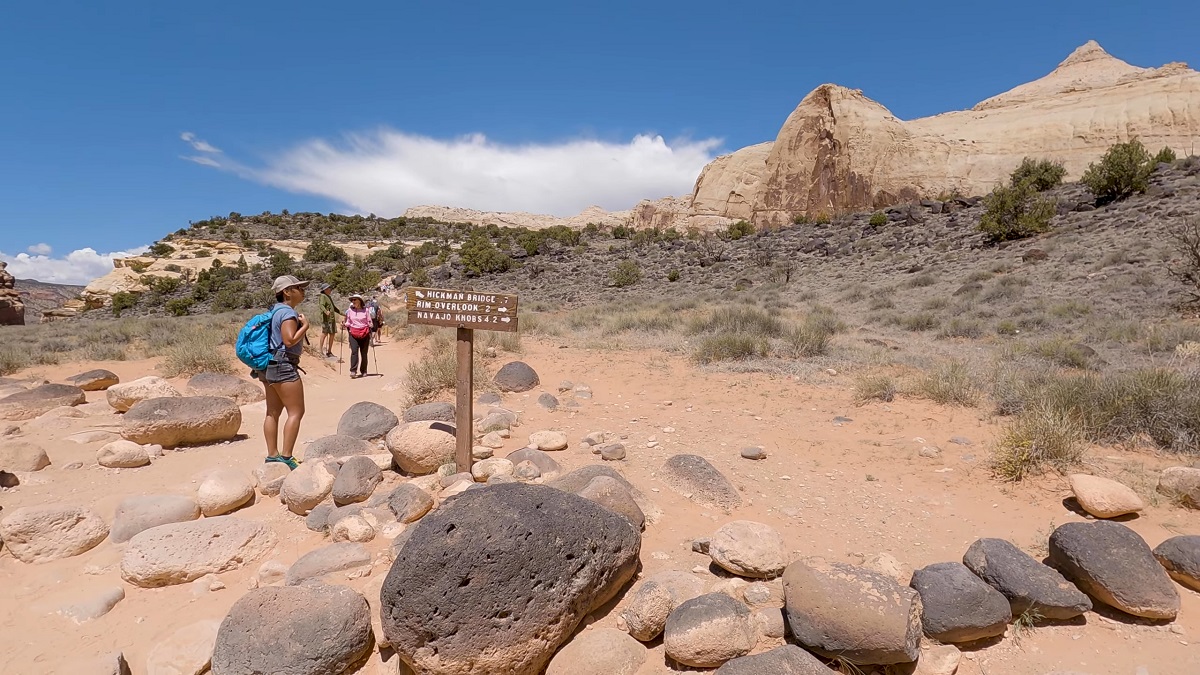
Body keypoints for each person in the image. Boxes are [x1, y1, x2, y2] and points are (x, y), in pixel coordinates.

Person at [254, 275, 311, 470]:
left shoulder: (274, 311)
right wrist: (305, 326)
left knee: (272, 412)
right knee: (296, 411)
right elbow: (289, 340)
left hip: (268, 365)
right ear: (287, 292)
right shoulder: (287, 313)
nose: (302, 290)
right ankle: (287, 457)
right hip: (284, 365)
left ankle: (272, 456)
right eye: (298, 287)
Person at [344, 294, 372, 379]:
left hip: (364, 333)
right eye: (352, 300)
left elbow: (369, 321)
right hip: (353, 333)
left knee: (364, 353)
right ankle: (353, 370)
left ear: (360, 301)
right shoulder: (350, 311)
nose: (353, 302)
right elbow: (348, 322)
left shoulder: (366, 310)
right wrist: (344, 324)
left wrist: (370, 325)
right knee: (354, 352)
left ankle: (364, 370)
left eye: (355, 300)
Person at [317, 283, 339, 358]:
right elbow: (321, 305)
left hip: (332, 319)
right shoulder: (322, 296)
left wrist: (342, 313)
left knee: (332, 334)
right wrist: (326, 311)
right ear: (325, 290)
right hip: (326, 319)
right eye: (329, 288)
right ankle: (320, 350)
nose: (330, 290)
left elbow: (334, 307)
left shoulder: (328, 297)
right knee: (325, 333)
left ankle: (329, 351)